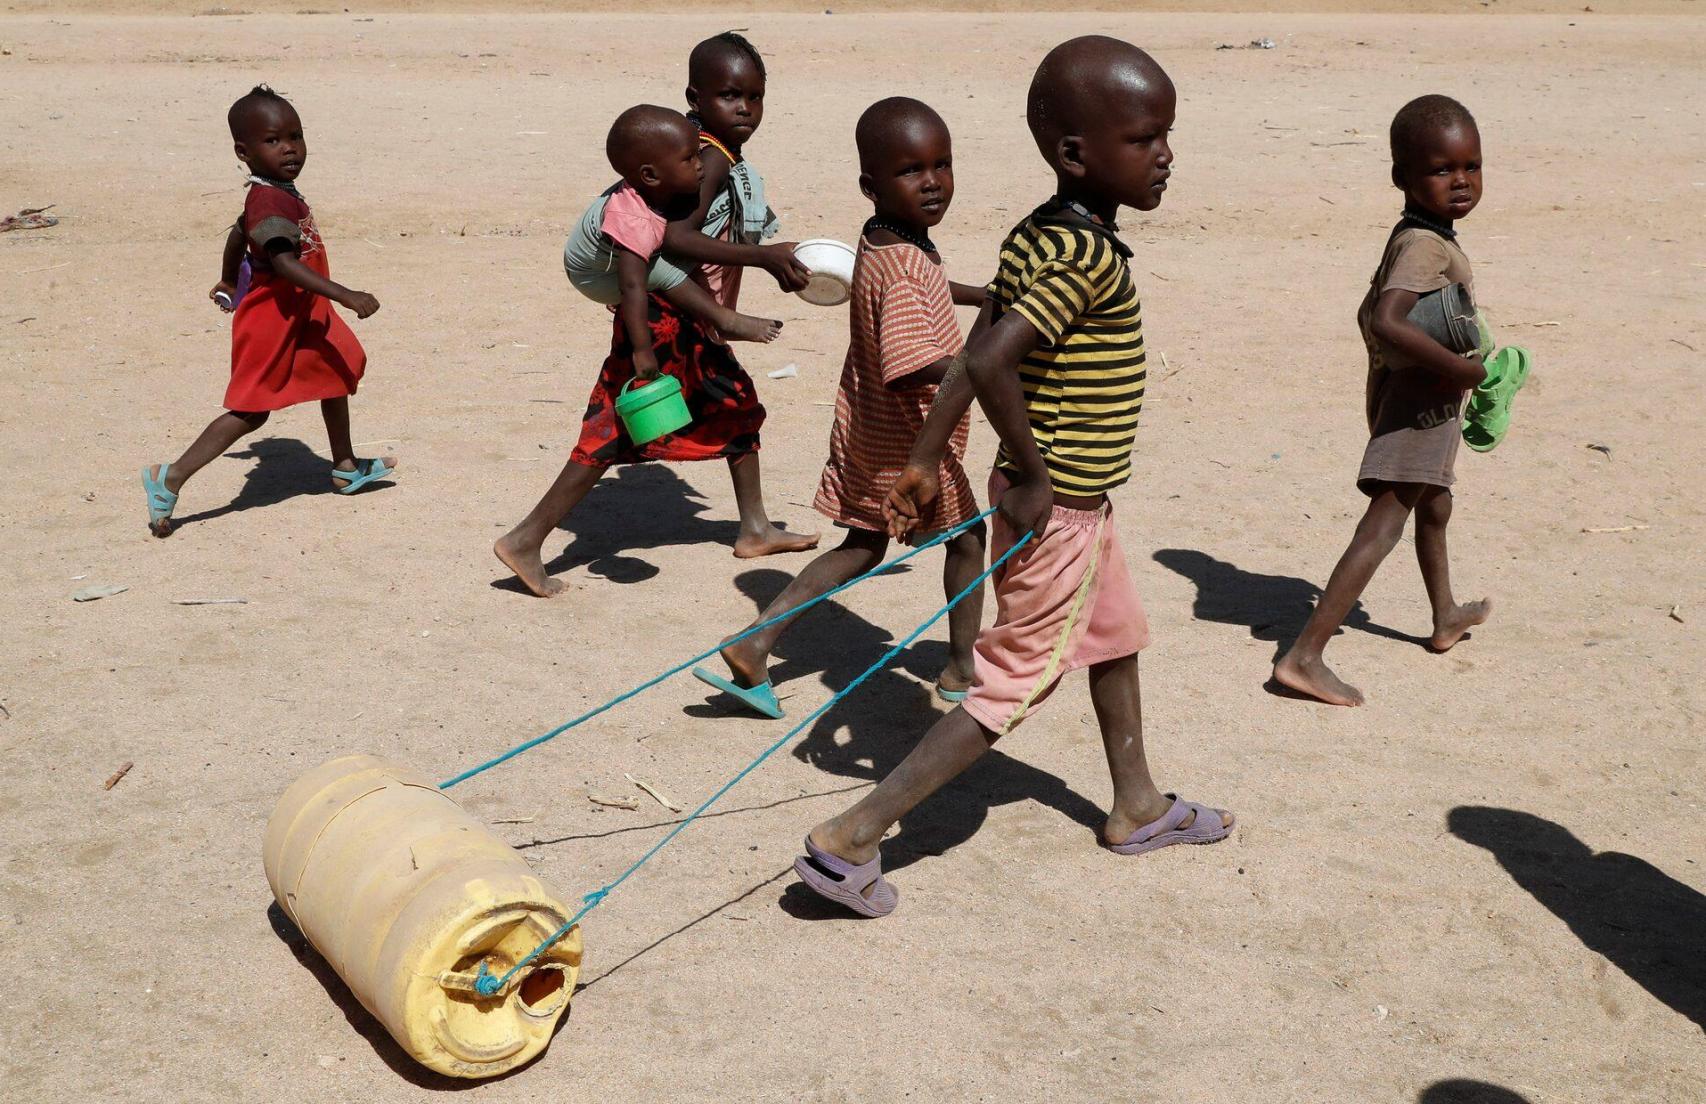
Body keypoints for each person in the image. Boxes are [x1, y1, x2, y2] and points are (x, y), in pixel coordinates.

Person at [793, 38, 1232, 919]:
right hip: (1058, 502)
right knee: (1011, 686)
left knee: (1114, 635)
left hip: (1073, 501)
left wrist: (925, 456)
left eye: (1166, 135)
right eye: (1146, 138)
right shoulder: (1087, 258)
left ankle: (1136, 802)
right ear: (1077, 153)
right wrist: (1032, 472)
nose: (1166, 156)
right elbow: (992, 357)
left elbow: (977, 339)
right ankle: (850, 839)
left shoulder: (1042, 232)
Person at [692, 97, 987, 719]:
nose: (932, 182)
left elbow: (924, 286)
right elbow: (913, 362)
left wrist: (984, 297)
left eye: (943, 164)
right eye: (911, 170)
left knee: (862, 544)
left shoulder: (886, 237)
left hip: (868, 428)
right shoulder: (905, 260)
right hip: (909, 438)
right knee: (966, 538)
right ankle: (962, 668)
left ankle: (756, 640)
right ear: (870, 184)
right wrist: (989, 367)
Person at [493, 105, 816, 598]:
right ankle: (525, 538)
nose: (700, 166)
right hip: (645, 317)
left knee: (736, 403)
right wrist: (644, 354)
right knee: (613, 429)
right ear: (650, 174)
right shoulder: (642, 206)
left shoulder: (666, 180)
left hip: (658, 307)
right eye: (690, 160)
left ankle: (755, 527)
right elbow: (633, 283)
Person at [1272, 95, 1492, 707]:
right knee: (1384, 523)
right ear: (1402, 177)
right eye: (1442, 170)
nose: (1461, 182)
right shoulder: (1424, 245)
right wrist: (1460, 370)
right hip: (1421, 403)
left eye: (1472, 167)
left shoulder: (1425, 236)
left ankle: (1444, 614)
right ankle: (1304, 655)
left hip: (1424, 399)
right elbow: (1388, 319)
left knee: (1436, 504)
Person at [141, 85, 395, 537]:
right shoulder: (270, 199)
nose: (290, 148)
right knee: (251, 411)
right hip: (271, 321)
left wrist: (225, 277)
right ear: (244, 151)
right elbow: (282, 262)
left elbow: (238, 234)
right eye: (273, 140)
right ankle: (171, 476)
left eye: (295, 136)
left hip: (298, 312)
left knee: (334, 372)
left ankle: (346, 466)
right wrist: (346, 294)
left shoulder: (271, 189)